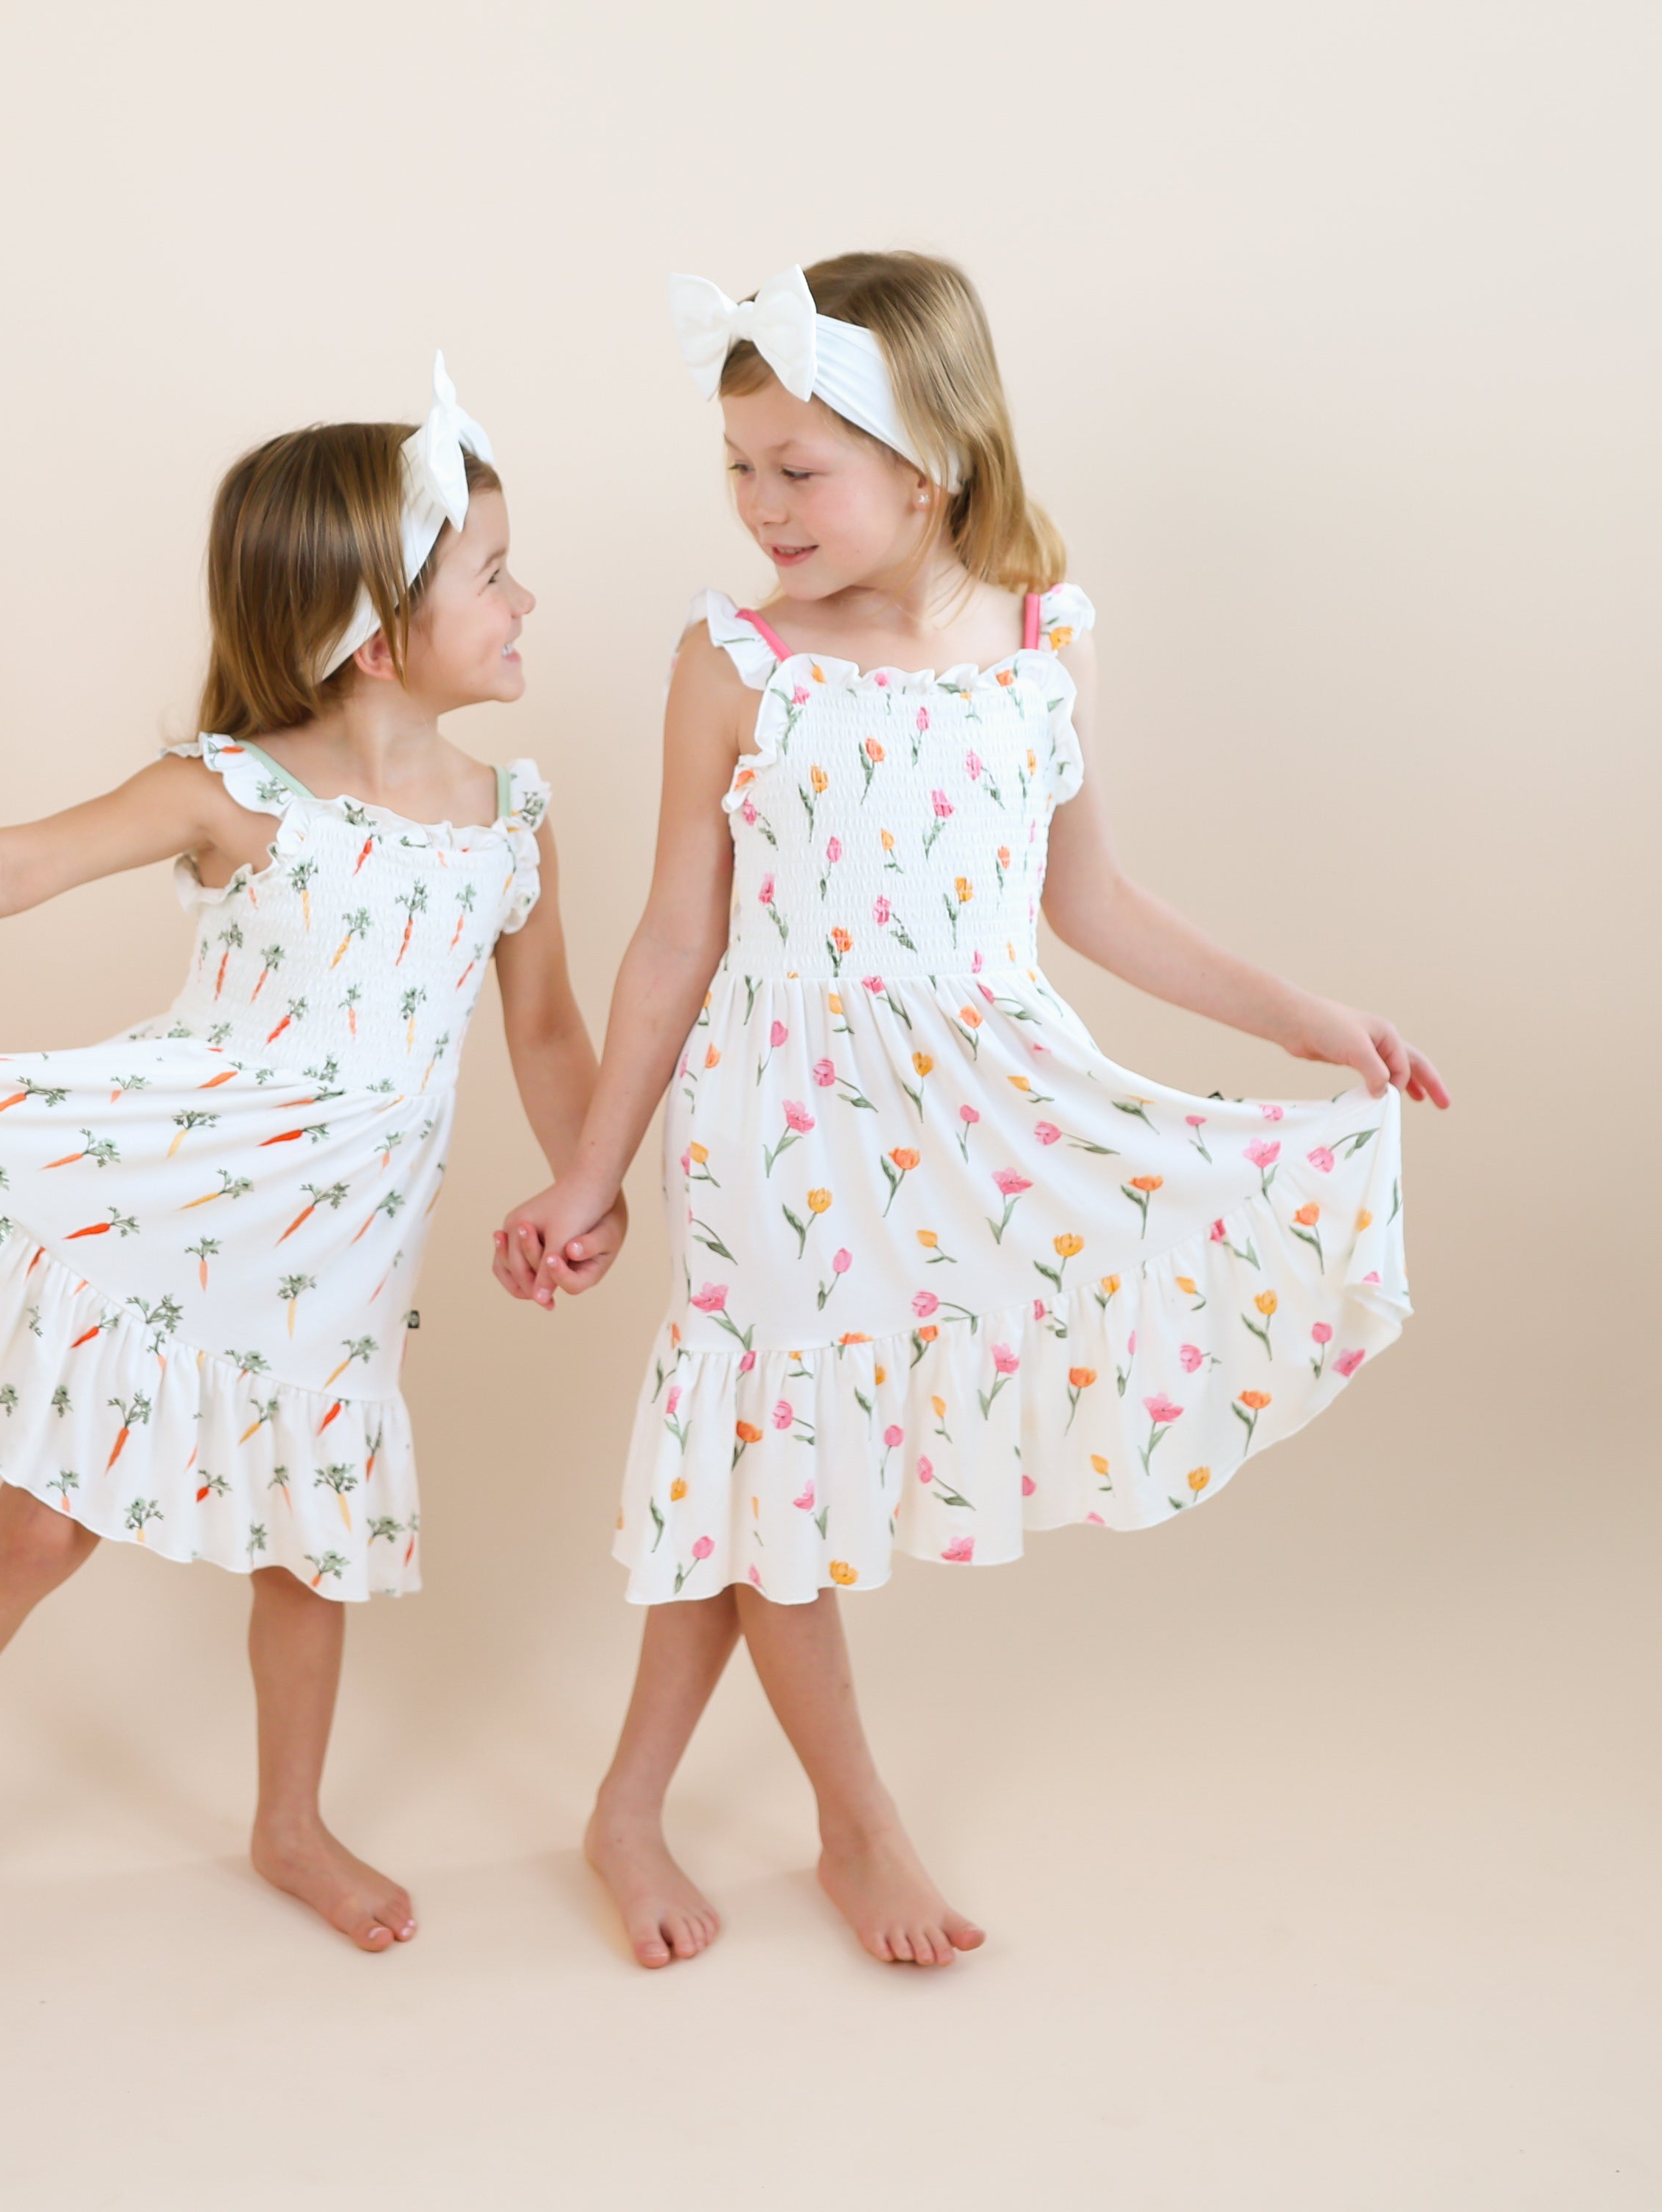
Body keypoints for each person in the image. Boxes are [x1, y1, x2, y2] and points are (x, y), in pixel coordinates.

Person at [495, 257, 1450, 1971]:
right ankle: (856, 1822)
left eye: (802, 468)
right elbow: (673, 940)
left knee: (761, 1482)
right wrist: (592, 1168)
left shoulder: (1043, 636)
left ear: (929, 461)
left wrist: (1311, 1017)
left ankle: (627, 1803)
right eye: (739, 466)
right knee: (779, 1456)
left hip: (981, 1107)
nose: (760, 505)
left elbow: (1095, 904)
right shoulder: (735, 663)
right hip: (781, 1124)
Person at [0, 356, 618, 1988]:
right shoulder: (239, 797)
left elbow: (551, 1028)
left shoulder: (511, 821)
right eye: (493, 573)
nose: (529, 598)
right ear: (377, 635)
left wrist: (587, 1181)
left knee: (314, 1546)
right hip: (174, 1198)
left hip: (344, 1252)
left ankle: (286, 1822)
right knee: (39, 1529)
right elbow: (18, 862)